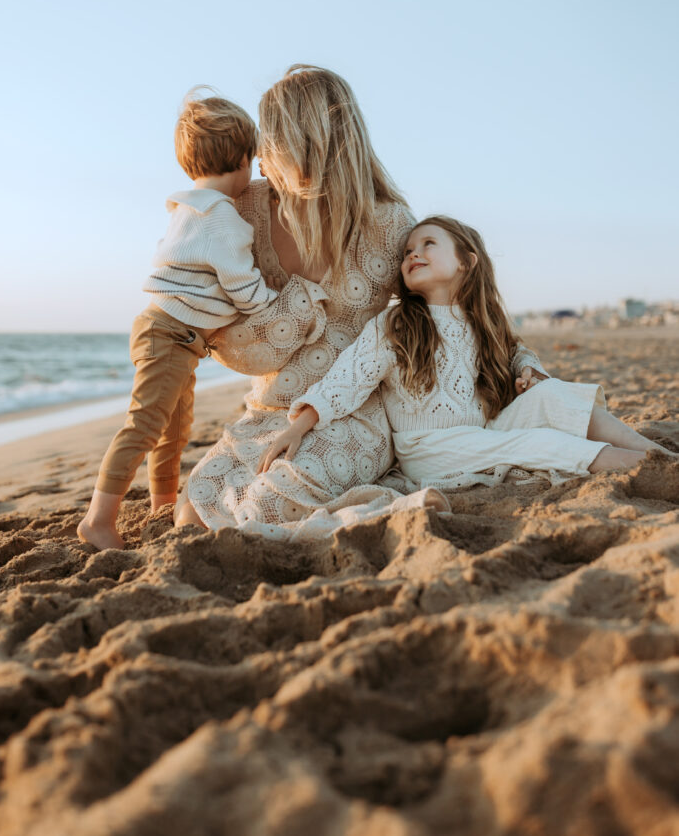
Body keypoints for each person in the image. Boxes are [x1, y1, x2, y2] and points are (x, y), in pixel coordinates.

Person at [177, 68, 546, 539]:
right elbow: (225, 340)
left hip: (355, 414)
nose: (262, 151)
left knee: (265, 508)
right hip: (271, 410)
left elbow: (464, 306)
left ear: (307, 140)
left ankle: (386, 511)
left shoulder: (389, 226)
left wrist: (524, 362)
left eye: (274, 136)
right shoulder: (244, 212)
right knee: (193, 513)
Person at [260, 216, 671, 486]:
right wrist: (297, 427)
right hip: (432, 450)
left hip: (483, 432)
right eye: (407, 252)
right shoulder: (396, 323)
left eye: (428, 244)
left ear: (466, 263)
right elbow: (346, 380)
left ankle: (659, 455)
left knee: (557, 396)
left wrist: (531, 371)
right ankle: (663, 476)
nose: (413, 253)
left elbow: (518, 352)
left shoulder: (483, 321)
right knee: (540, 444)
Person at [78, 90, 280, 550]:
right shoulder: (223, 221)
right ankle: (98, 519)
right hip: (171, 335)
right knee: (146, 425)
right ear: (243, 160)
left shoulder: (188, 208)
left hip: (169, 334)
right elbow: (243, 287)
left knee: (175, 428)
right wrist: (276, 305)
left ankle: (161, 503)